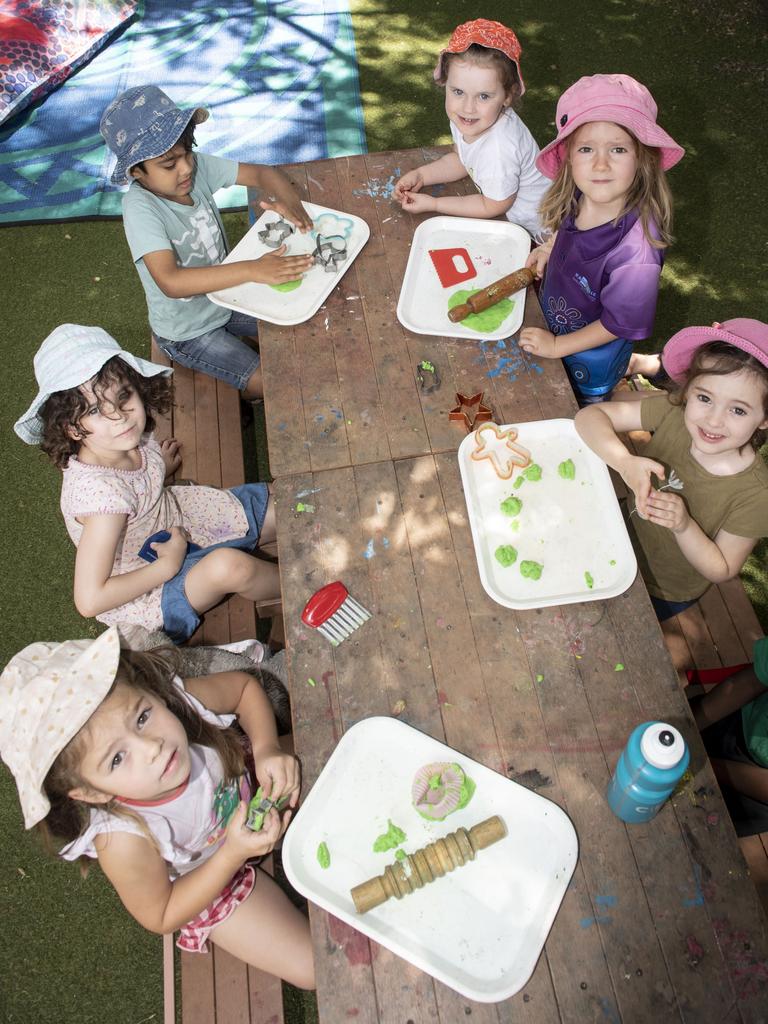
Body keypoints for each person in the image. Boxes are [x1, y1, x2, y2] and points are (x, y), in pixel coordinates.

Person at [0, 628, 315, 987]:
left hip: (260, 788)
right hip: (211, 880)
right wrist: (231, 855)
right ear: (89, 793)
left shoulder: (181, 701)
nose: (150, 746)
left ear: (149, 693)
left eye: (142, 717)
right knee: (311, 967)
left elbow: (244, 690)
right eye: (117, 758)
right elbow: (161, 913)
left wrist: (266, 750)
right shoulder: (121, 840)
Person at [13, 324, 280, 643]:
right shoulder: (103, 501)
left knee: (282, 504)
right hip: (150, 586)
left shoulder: (122, 441)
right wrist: (166, 568)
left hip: (179, 520)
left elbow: (137, 481)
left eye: (123, 395)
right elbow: (89, 600)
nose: (120, 415)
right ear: (73, 429)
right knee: (232, 567)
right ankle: (301, 585)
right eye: (97, 409)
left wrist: (157, 468)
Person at [100, 85, 315, 401]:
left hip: (226, 296)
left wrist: (293, 206)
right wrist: (255, 270)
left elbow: (263, 174)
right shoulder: (139, 209)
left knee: (304, 320)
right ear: (137, 172)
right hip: (188, 333)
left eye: (186, 152)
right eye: (169, 164)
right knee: (275, 384)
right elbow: (171, 282)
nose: (186, 167)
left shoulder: (193, 168)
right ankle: (240, 396)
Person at [575, 318, 768, 620]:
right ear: (688, 390)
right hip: (616, 535)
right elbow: (589, 417)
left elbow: (723, 568)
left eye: (738, 409)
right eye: (704, 398)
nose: (713, 420)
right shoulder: (675, 414)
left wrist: (684, 526)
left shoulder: (757, 494)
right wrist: (624, 462)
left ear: (765, 419)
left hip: (661, 588)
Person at [520, 74, 684, 403]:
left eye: (618, 149)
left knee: (581, 408)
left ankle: (656, 398)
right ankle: (648, 363)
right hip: (557, 325)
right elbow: (568, 236)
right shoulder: (581, 195)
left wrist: (557, 347)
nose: (600, 164)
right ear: (568, 156)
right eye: (586, 148)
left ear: (643, 159)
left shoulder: (637, 254)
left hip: (591, 361)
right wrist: (550, 248)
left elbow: (617, 324)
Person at [393, 19, 549, 239]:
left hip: (539, 233)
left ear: (508, 96)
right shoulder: (470, 119)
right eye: (458, 92)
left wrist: (435, 204)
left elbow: (492, 206)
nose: (468, 107)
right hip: (509, 216)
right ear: (446, 83)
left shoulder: (499, 149)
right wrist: (421, 175)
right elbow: (463, 160)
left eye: (484, 96)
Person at [688, 636, 768, 836]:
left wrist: (699, 763)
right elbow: (748, 684)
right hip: (735, 716)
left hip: (751, 792)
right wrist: (687, 729)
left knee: (689, 830)